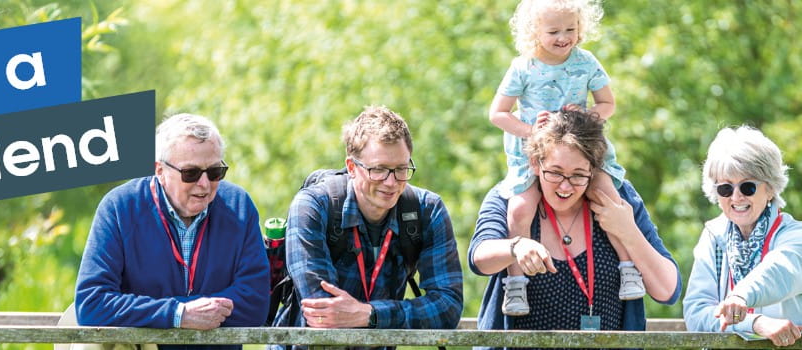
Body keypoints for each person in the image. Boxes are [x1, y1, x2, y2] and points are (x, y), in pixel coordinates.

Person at [469, 106, 681, 349]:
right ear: (535, 164)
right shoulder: (510, 197)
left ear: (594, 170)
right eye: (555, 173)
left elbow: (668, 290)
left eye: (578, 175)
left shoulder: (618, 198)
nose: (566, 187)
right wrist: (515, 246)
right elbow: (479, 258)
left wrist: (628, 231)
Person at [487, 0, 643, 316]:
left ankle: (628, 267)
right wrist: (530, 130)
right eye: (554, 31)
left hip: (582, 148)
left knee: (610, 199)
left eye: (570, 29)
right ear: (534, 32)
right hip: (534, 154)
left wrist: (589, 113)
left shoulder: (585, 62)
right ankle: (515, 286)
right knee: (519, 209)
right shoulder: (524, 67)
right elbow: (498, 114)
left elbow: (607, 104)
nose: (564, 37)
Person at [75, 113, 269, 350]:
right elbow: (92, 304)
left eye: (215, 172)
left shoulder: (239, 205)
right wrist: (178, 313)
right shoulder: (119, 207)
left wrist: (165, 312)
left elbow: (256, 304)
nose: (205, 184)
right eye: (191, 173)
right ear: (160, 171)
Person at [272, 106, 464, 341]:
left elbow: (448, 307)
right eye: (379, 170)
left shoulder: (426, 210)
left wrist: (370, 314)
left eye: (401, 169)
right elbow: (322, 311)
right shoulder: (313, 206)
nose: (391, 182)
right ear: (352, 167)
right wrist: (387, 315)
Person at [684, 126, 802, 347]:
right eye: (725, 188)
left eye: (748, 187)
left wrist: (740, 297)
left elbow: (780, 270)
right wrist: (754, 322)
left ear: (770, 189)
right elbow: (697, 313)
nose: (736, 197)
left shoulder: (795, 236)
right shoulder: (713, 236)